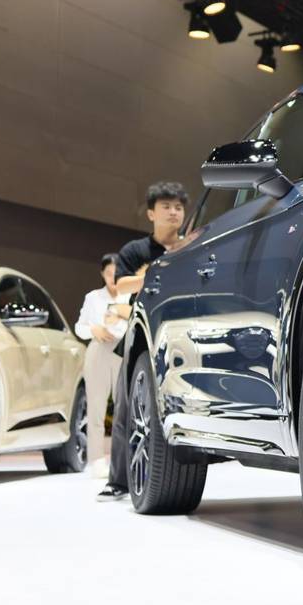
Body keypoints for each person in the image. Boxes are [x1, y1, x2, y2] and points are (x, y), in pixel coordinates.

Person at [97, 181, 196, 502]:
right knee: (127, 407)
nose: (173, 212)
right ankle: (118, 481)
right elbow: (121, 286)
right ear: (151, 213)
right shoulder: (135, 250)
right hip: (141, 333)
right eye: (166, 206)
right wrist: (158, 269)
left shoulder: (191, 246)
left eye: (178, 207)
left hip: (179, 332)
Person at [74, 254, 126, 475]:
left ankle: (123, 460)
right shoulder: (93, 297)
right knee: (96, 407)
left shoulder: (129, 297)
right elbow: (79, 327)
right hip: (98, 350)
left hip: (123, 350)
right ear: (102, 274)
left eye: (116, 273)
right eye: (108, 273)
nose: (112, 278)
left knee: (124, 407)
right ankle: (96, 460)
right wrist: (93, 330)